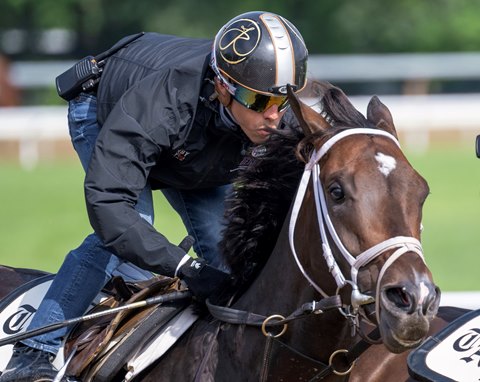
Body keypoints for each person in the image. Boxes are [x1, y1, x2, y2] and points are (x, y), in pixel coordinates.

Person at [0, 10, 308, 381]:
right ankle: (34, 350)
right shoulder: (165, 101)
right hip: (105, 108)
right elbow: (111, 208)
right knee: (130, 229)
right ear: (224, 86)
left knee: (226, 250)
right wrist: (184, 267)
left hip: (195, 143)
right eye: (260, 103)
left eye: (282, 102)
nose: (275, 117)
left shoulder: (267, 110)